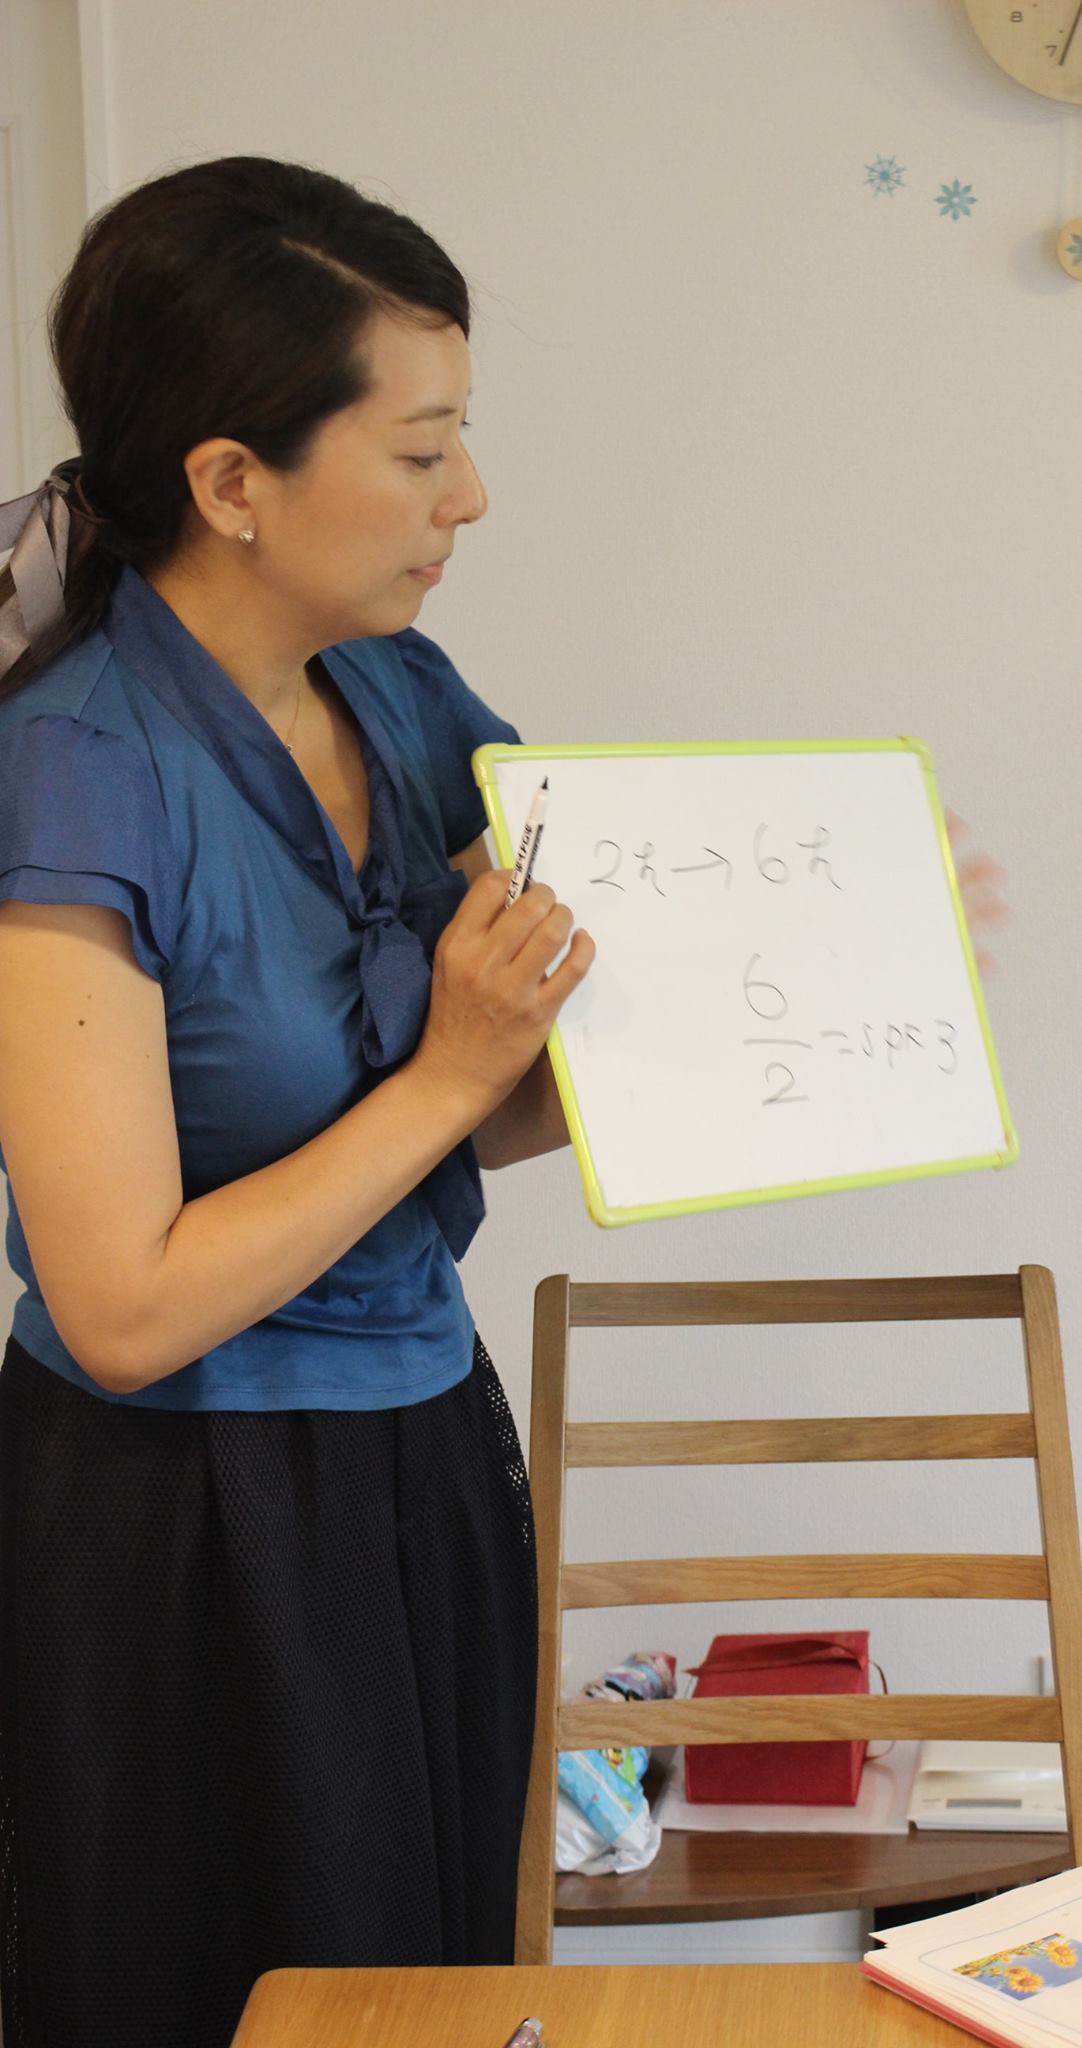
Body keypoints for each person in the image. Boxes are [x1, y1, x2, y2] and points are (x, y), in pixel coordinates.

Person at [0, 154, 594, 2048]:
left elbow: (494, 1102)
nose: (468, 495)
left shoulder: (402, 698)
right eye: (419, 450)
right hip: (181, 1521)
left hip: (420, 1452)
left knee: (435, 1988)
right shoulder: (74, 774)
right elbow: (122, 1305)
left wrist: (824, 973)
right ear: (231, 482)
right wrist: (458, 1071)